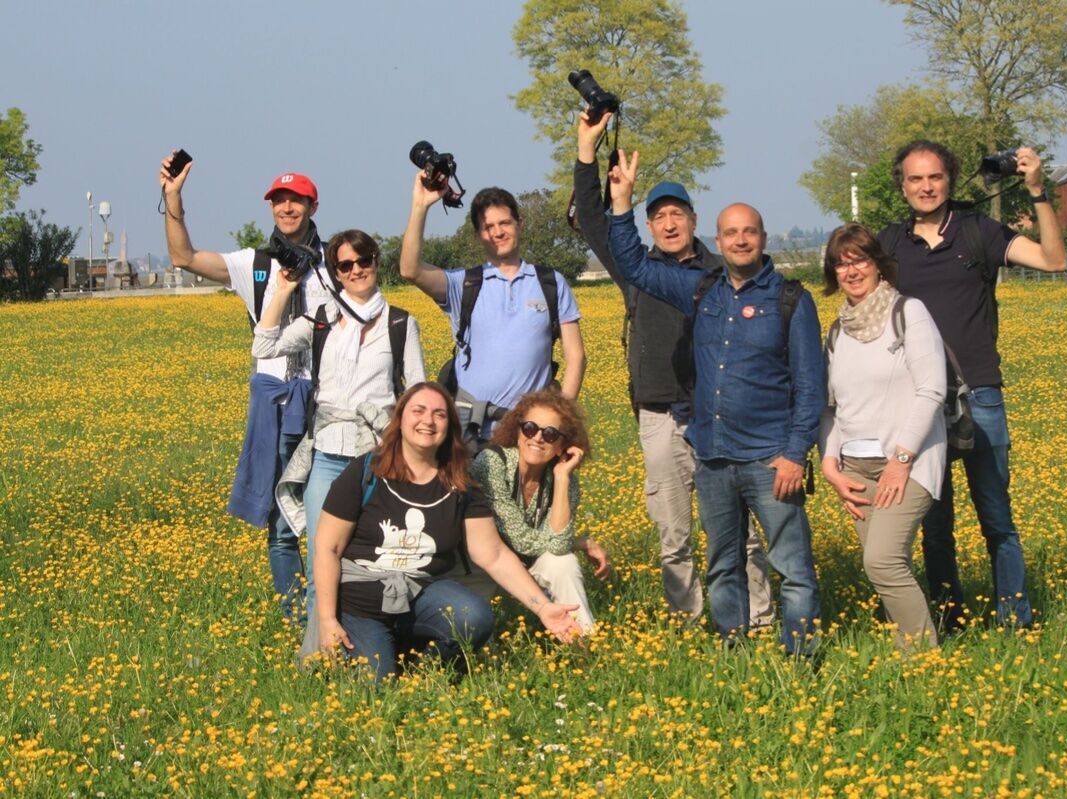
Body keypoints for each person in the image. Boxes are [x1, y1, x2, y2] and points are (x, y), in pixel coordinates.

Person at [605, 149, 826, 655]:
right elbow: (636, 265)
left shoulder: (792, 300)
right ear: (718, 241)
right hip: (714, 458)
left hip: (772, 459)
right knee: (722, 564)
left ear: (763, 239)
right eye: (731, 233)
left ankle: (803, 656)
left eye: (749, 231)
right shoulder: (702, 291)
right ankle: (734, 649)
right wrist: (621, 203)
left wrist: (795, 454)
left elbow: (811, 387)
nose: (741, 239)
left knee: (791, 565)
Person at [573, 112, 772, 627]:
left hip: (721, 417)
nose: (667, 223)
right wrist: (587, 155)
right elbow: (594, 222)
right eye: (658, 215)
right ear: (648, 224)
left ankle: (759, 618)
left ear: (692, 220)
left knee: (741, 531)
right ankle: (687, 622)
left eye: (676, 214)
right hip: (659, 415)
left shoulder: (721, 271)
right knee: (673, 532)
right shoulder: (638, 271)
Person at [880, 140, 1067, 632]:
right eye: (916, 179)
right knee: (935, 527)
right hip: (920, 403)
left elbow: (1053, 260)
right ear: (902, 186)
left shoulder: (978, 230)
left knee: (997, 520)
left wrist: (1037, 191)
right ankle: (950, 619)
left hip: (980, 394)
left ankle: (1016, 623)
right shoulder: (889, 245)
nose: (926, 187)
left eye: (935, 177)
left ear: (949, 180)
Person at [308, 382, 582, 683]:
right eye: (419, 411)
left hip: (421, 597)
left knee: (474, 618)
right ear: (400, 419)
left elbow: (492, 554)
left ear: (449, 426)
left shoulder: (459, 483)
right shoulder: (365, 472)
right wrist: (327, 620)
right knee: (376, 688)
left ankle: (424, 666)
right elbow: (327, 548)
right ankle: (383, 653)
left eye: (439, 414)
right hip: (361, 605)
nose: (428, 420)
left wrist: (543, 608)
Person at [160, 155, 333, 621]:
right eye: (279, 200)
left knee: (328, 511)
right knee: (279, 521)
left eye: (296, 200)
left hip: (326, 399)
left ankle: (328, 611)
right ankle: (297, 618)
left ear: (313, 206)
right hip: (273, 399)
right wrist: (173, 198)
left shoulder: (336, 264)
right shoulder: (254, 264)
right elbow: (184, 257)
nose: (286, 208)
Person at [252, 229, 426, 615]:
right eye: (345, 265)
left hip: (377, 458)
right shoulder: (321, 320)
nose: (356, 270)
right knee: (321, 561)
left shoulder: (400, 324)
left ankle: (375, 638)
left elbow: (419, 397)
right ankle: (319, 651)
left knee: (377, 557)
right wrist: (282, 290)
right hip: (327, 457)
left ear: (376, 263)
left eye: (364, 261)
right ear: (335, 273)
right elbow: (263, 346)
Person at [818, 223, 946, 651]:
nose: (851, 270)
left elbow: (932, 390)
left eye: (860, 260)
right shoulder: (837, 332)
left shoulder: (908, 313)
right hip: (855, 468)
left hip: (905, 465)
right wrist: (829, 463)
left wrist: (902, 460)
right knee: (883, 566)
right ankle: (907, 646)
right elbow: (831, 407)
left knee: (883, 561)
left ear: (877, 263)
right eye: (841, 263)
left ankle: (923, 657)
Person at [399, 177, 586, 448]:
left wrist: (558, 421)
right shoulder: (464, 284)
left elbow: (576, 357)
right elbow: (409, 269)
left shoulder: (550, 282)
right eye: (488, 227)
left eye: (504, 223)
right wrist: (420, 205)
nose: (498, 232)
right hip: (470, 432)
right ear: (478, 236)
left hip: (531, 434)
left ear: (520, 225)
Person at [470, 390, 611, 633]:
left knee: (562, 562)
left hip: (524, 566)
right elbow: (520, 540)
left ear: (562, 445)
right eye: (530, 428)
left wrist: (561, 477)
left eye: (550, 434)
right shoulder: (491, 462)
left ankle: (583, 646)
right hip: (481, 568)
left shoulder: (565, 481)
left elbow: (557, 546)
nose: (537, 438)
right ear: (517, 431)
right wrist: (581, 542)